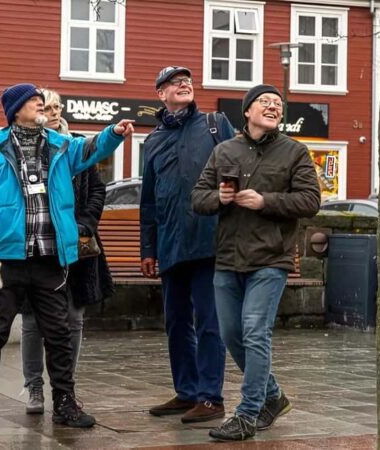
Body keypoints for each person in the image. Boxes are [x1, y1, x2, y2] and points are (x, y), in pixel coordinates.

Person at [0, 82, 133, 428]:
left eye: (41, 100)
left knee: (59, 333)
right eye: (33, 101)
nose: (41, 104)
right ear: (15, 111)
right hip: (7, 260)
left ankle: (65, 403)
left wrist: (114, 133)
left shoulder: (60, 145)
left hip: (50, 260)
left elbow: (91, 149)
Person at [191, 84, 320, 441]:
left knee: (254, 331)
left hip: (270, 259)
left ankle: (248, 414)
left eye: (278, 103)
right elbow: (198, 198)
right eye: (265, 101)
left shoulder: (295, 152)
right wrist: (218, 197)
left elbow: (310, 201)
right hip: (228, 258)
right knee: (232, 334)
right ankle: (274, 396)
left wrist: (266, 201)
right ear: (247, 111)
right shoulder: (224, 150)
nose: (273, 106)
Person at [140, 66, 235, 423]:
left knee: (209, 322)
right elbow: (149, 199)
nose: (183, 85)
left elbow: (237, 170)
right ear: (161, 94)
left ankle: (211, 398)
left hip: (210, 241)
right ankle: (187, 392)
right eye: (174, 83)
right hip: (170, 243)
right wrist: (148, 249)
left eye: (187, 81)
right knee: (176, 323)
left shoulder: (215, 124)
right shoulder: (153, 140)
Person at [19, 88, 114, 415]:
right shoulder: (25, 147)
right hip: (37, 245)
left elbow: (97, 190)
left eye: (58, 106)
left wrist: (85, 224)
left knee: (74, 317)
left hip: (76, 247)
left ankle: (65, 388)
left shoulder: (77, 146)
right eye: (47, 107)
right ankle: (34, 386)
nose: (54, 112)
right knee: (33, 321)